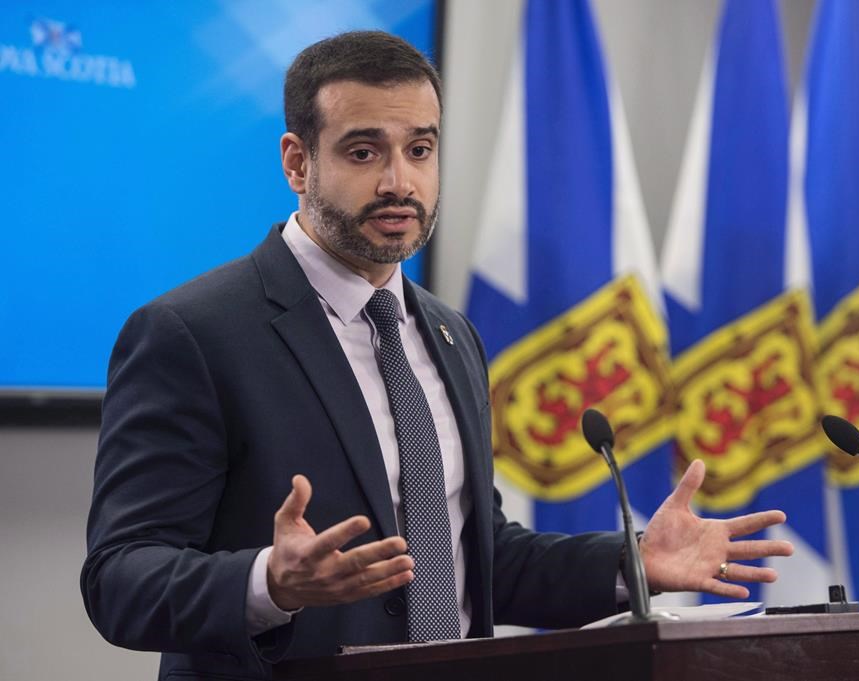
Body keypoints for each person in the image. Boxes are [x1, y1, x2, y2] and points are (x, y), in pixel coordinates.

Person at [80, 31, 793, 680]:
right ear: (298, 162)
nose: (400, 181)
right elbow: (119, 577)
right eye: (364, 152)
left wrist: (631, 561)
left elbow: (475, 556)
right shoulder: (192, 333)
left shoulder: (450, 335)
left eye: (419, 149)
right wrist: (270, 582)